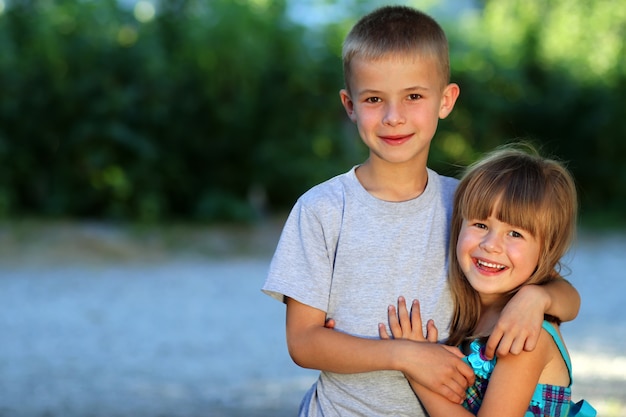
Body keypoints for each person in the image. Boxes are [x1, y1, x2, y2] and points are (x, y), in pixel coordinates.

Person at [262, 6, 580, 417]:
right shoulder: (321, 210)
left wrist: (536, 298)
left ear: (445, 100)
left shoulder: (466, 206)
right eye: (374, 99)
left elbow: (563, 294)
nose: (394, 117)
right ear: (350, 104)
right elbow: (303, 343)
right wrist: (407, 356)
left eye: (413, 96)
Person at [380, 145, 596, 416]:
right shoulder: (472, 308)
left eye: (515, 234)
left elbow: (570, 299)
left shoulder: (524, 337)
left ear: (546, 249)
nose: (491, 245)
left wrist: (416, 369)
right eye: (480, 225)